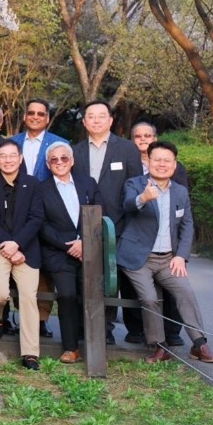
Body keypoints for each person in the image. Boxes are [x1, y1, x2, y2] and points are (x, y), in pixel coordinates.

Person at [118, 142, 213, 364]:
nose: (162, 164)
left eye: (167, 160)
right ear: (149, 162)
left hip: (167, 259)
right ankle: (160, 346)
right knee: (150, 298)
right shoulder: (135, 184)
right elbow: (127, 205)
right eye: (157, 160)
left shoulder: (180, 191)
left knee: (185, 291)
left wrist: (181, 255)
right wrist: (143, 198)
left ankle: (199, 343)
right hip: (138, 258)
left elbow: (187, 225)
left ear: (174, 165)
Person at [72, 99, 144, 344]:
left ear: (111, 120)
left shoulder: (127, 150)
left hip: (118, 224)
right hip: (83, 224)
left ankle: (106, 330)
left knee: (110, 278)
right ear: (84, 121)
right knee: (86, 278)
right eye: (90, 116)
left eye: (101, 116)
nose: (96, 120)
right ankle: (86, 327)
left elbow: (135, 186)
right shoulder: (76, 151)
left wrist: (125, 222)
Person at [36, 141, 98, 363]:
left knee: (92, 296)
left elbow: (98, 214)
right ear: (48, 163)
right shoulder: (41, 189)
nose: (59, 162)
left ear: (72, 161)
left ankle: (95, 348)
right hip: (59, 253)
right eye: (54, 159)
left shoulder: (88, 184)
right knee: (67, 296)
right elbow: (41, 225)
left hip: (89, 250)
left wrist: (83, 242)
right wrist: (69, 245)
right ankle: (70, 348)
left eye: (64, 158)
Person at [0, 139, 44, 369]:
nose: (8, 160)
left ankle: (30, 353)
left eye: (13, 155)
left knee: (29, 297)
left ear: (20, 158)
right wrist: (7, 245)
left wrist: (17, 244)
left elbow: (36, 218)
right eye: (3, 156)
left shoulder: (33, 184)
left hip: (26, 248)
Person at [131, 121, 188, 346]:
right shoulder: (131, 165)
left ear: (155, 137)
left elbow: (182, 203)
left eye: (148, 135)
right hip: (138, 236)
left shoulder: (174, 166)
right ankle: (137, 330)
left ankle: (172, 331)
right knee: (140, 290)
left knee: (173, 287)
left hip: (168, 239)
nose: (143, 140)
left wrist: (181, 252)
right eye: (138, 136)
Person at [10, 99, 66, 181]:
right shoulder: (12, 142)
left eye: (40, 114)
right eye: (31, 113)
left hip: (47, 193)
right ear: (25, 117)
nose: (35, 117)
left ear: (47, 119)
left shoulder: (61, 144)